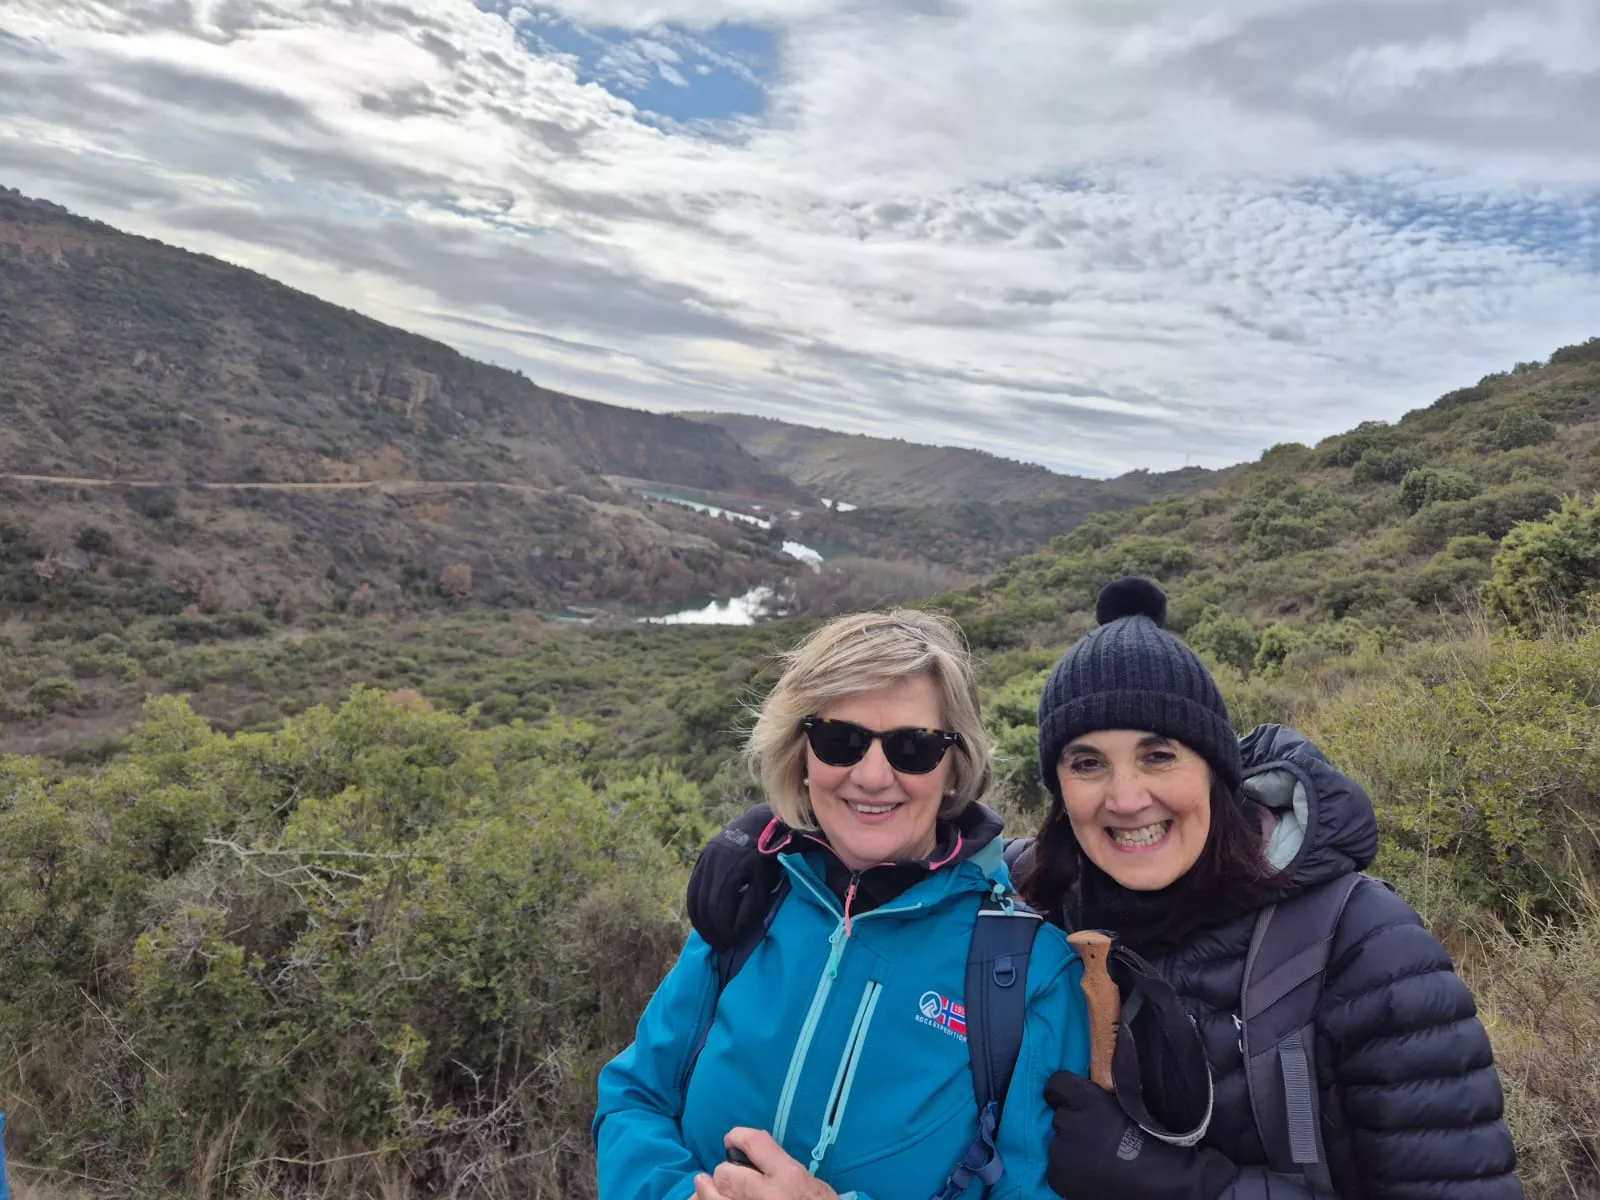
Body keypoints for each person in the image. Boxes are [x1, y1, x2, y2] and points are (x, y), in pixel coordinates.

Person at [1021, 576, 1523, 1200]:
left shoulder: (1365, 948)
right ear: (1059, 791)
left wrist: (1180, 1187)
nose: (1125, 799)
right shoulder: (1037, 907)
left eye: (1159, 756)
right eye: (1087, 763)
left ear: (1215, 770)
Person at [593, 609, 1092, 1200]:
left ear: (954, 768)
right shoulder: (753, 898)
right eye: (841, 741)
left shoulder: (1026, 970)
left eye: (912, 747)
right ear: (802, 755)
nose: (873, 776)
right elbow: (635, 1099)